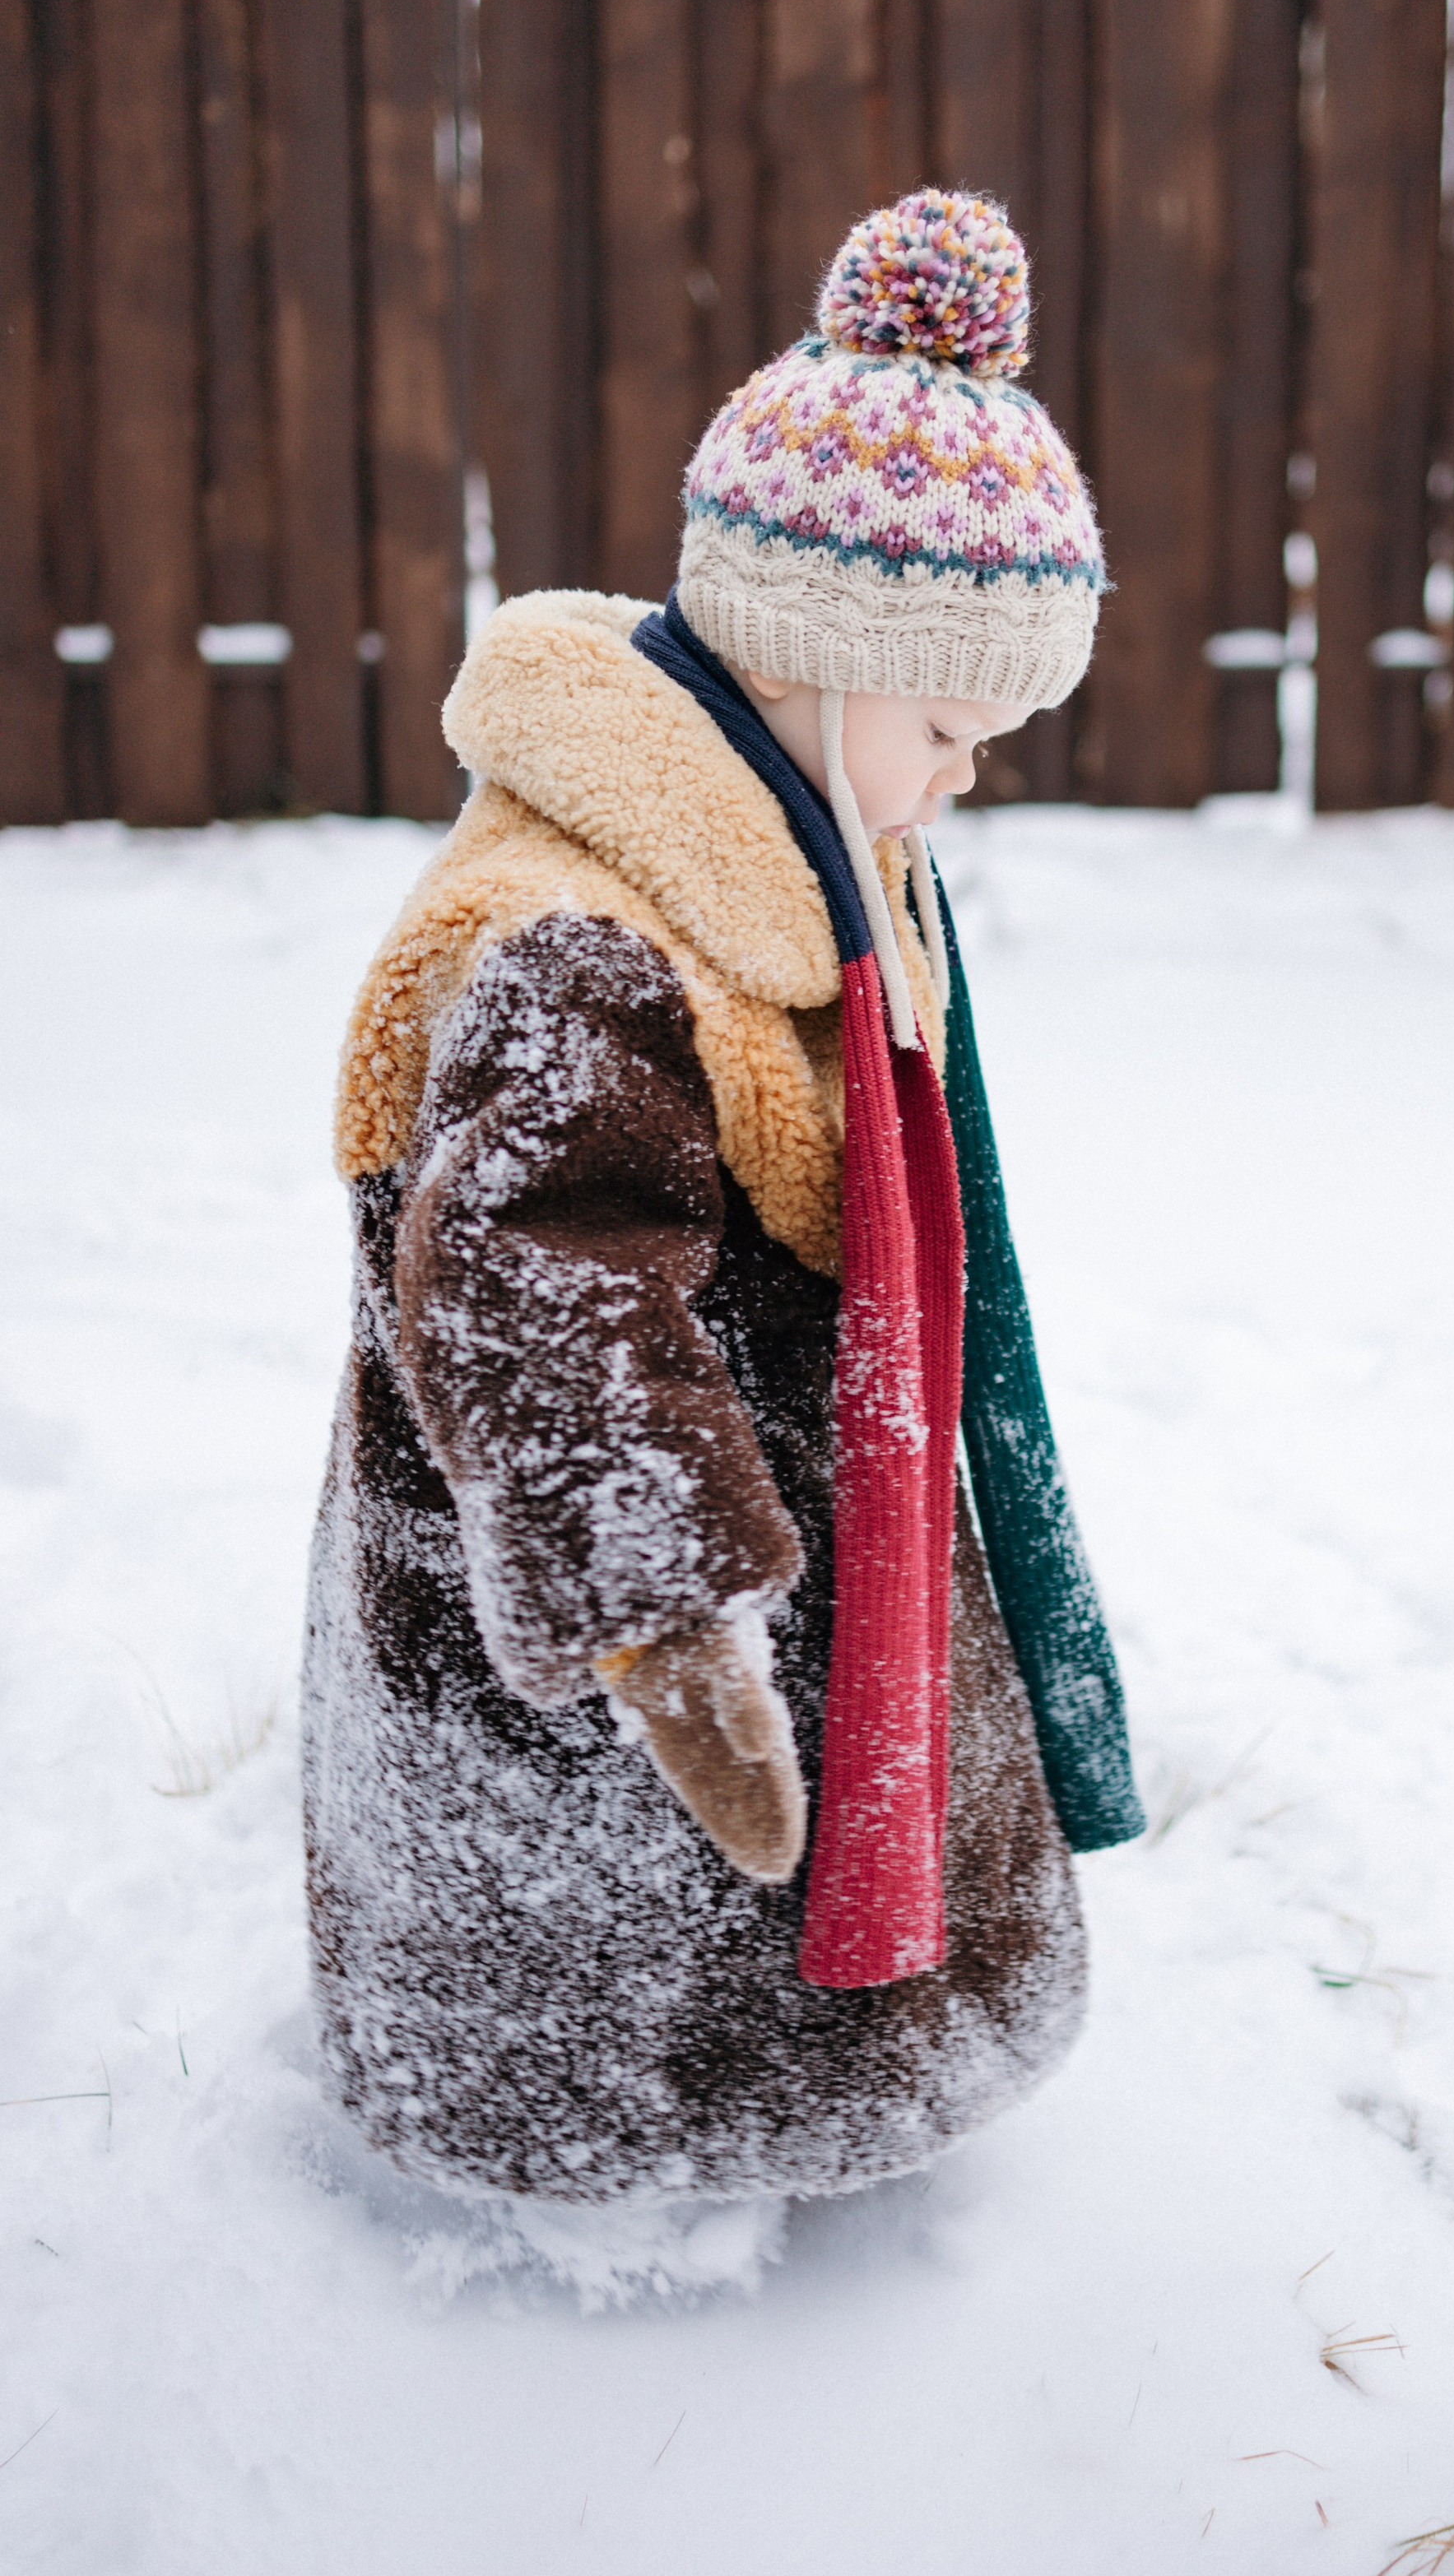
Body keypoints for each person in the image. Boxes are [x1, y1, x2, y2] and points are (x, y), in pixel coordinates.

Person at [306, 190, 1143, 2208]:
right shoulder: (582, 935)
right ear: (820, 658)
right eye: (949, 730)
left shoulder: (805, 852)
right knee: (639, 1962)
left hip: (796, 1548)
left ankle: (806, 2150)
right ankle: (639, 2264)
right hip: (641, 1634)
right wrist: (675, 1635)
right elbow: (531, 1283)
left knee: (752, 1962)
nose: (960, 781)